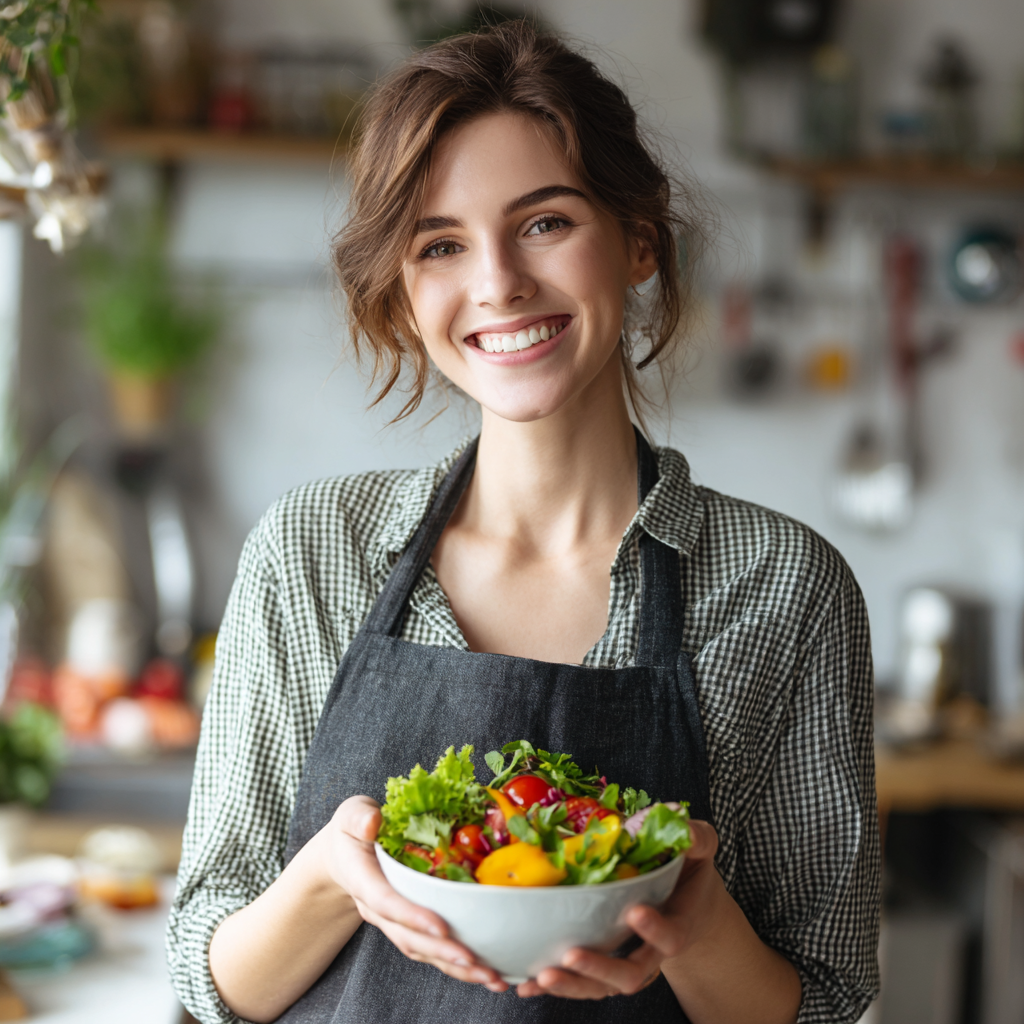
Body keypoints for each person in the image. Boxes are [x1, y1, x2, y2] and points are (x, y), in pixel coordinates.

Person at [168, 20, 880, 1024]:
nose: (497, 281)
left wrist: (699, 924)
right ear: (405, 292)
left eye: (544, 222)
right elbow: (207, 974)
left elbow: (826, 999)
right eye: (441, 244)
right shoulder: (311, 549)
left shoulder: (784, 583)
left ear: (637, 238)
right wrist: (331, 879)